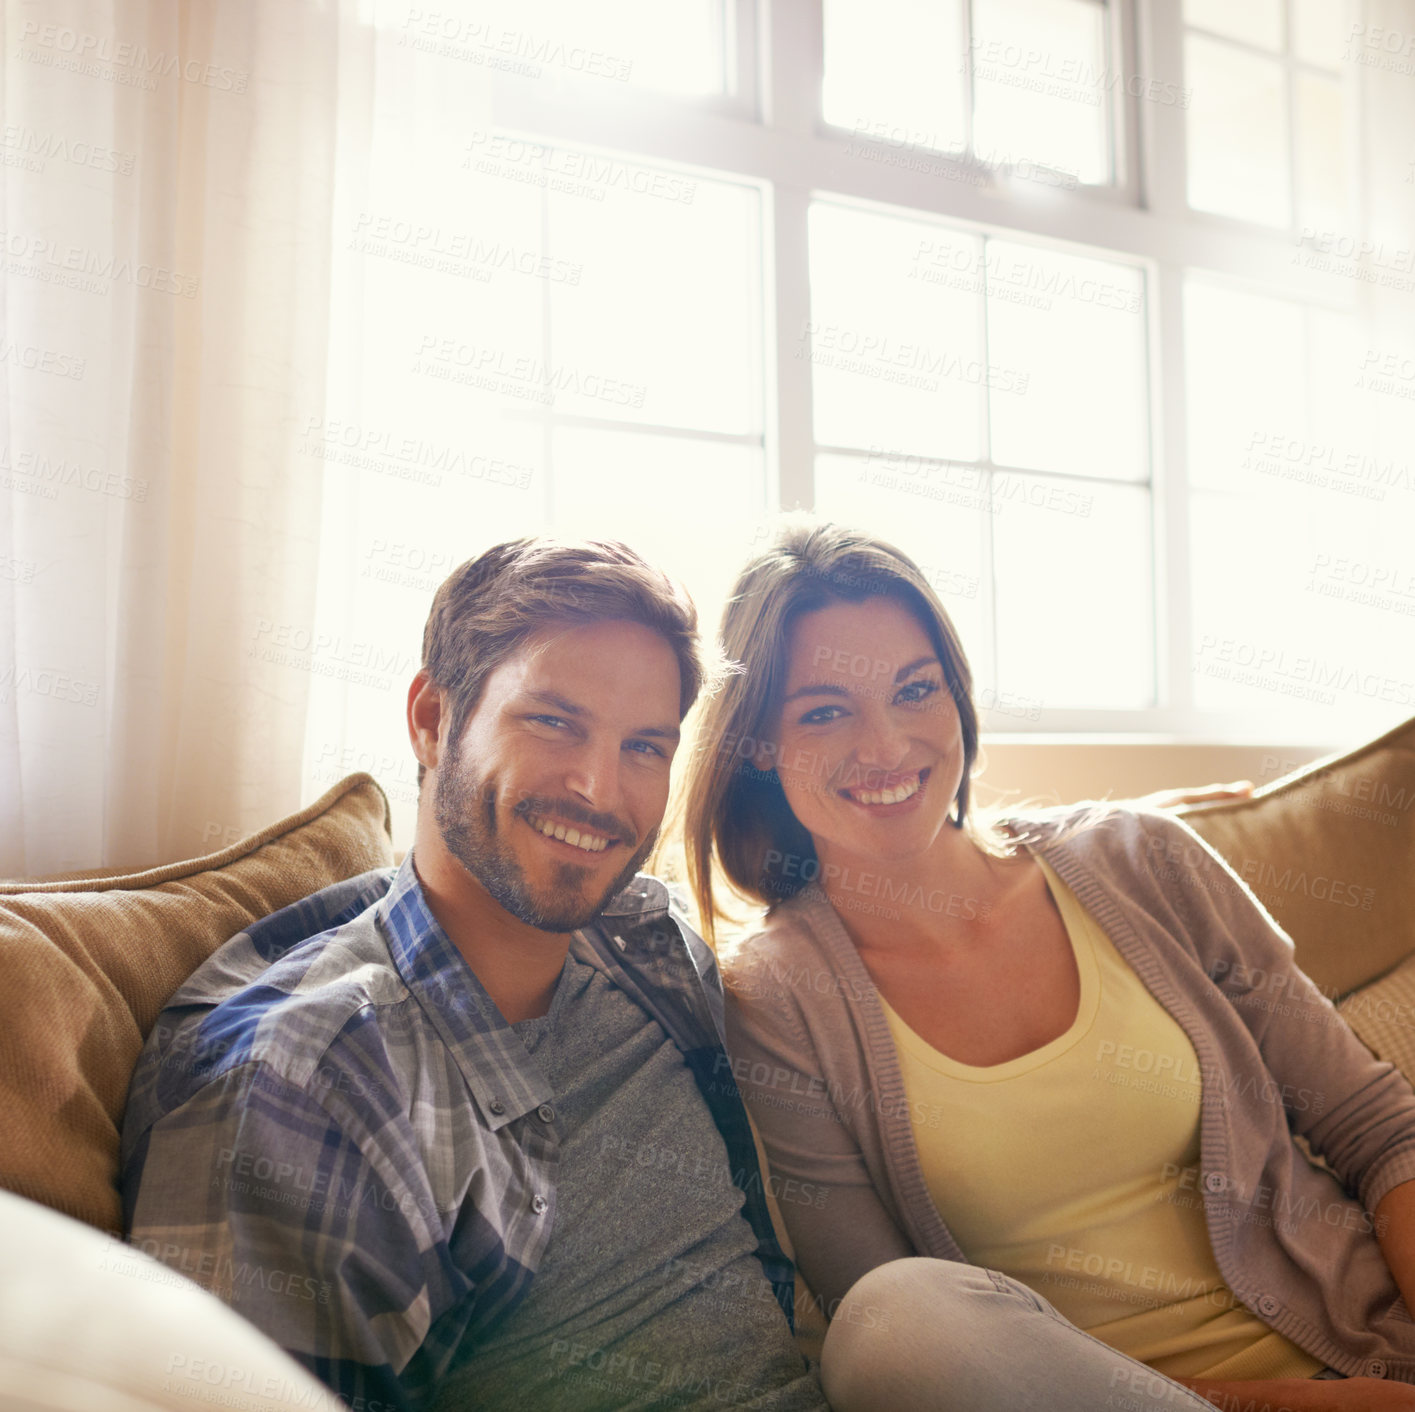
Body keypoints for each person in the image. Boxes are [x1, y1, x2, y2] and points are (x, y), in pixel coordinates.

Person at [682, 518, 1415, 1412]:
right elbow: (885, 1321)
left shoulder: (1142, 861)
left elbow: (1379, 1130)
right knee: (893, 1316)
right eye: (825, 711)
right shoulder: (776, 999)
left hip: (1360, 1359)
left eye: (916, 691)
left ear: (958, 698)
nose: (885, 747)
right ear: (758, 744)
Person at [121, 538, 824, 1412]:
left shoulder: (645, 937)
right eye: (553, 721)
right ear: (430, 719)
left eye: (644, 747)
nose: (600, 790)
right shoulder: (308, 1088)